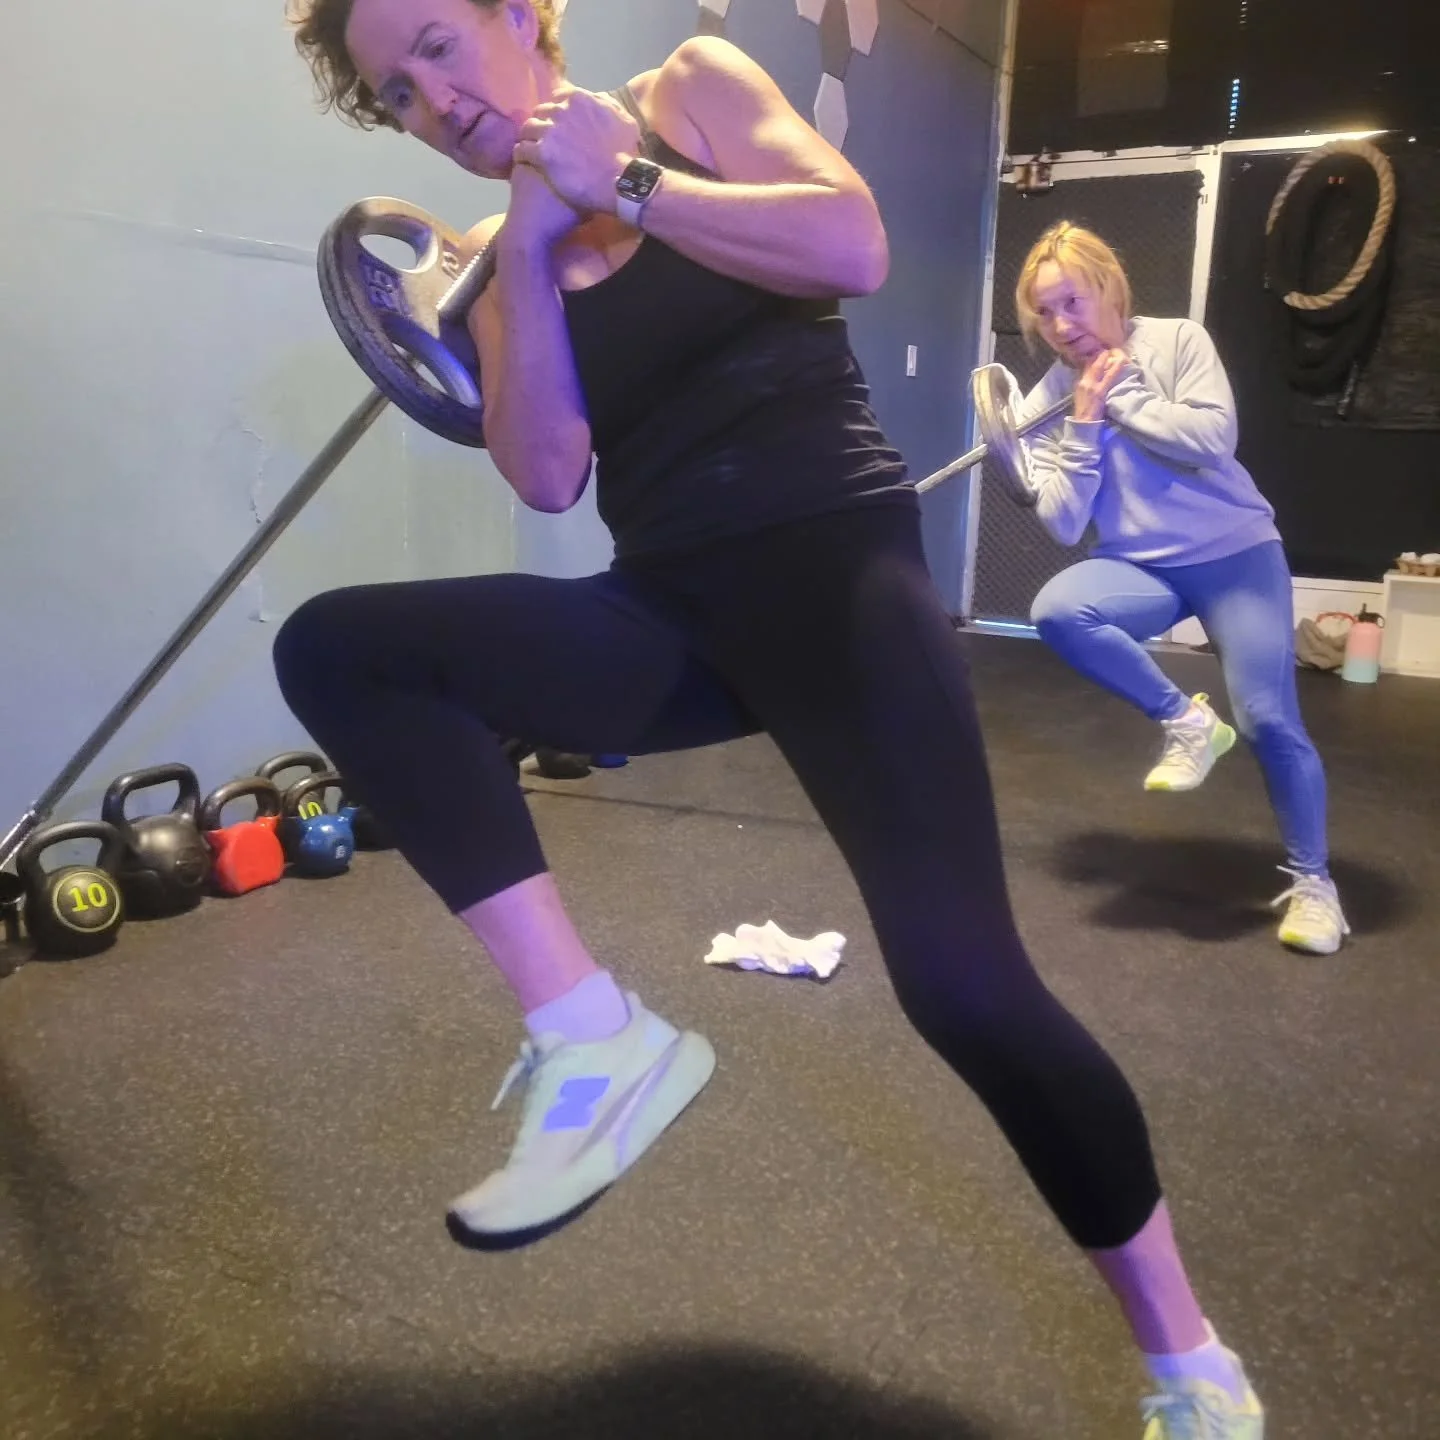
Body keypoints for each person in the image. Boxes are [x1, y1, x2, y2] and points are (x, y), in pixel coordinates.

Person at [280, 4, 1264, 1433]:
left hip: (839, 586)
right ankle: (594, 1037)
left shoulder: (689, 92)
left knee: (969, 994)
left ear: (519, 12)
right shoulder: (498, 263)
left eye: (437, 43)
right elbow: (547, 475)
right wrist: (529, 254)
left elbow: (852, 245)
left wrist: (625, 182)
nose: (431, 99)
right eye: (394, 93)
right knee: (343, 650)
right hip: (671, 610)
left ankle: (1189, 1362)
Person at [1016, 221, 1348, 957]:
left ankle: (1315, 884)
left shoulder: (1177, 342)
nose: (1062, 325)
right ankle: (1187, 722)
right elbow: (1064, 525)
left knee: (1267, 720)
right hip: (1140, 566)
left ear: (1108, 287)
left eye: (1072, 302)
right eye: (1045, 312)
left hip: (1236, 555)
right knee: (1059, 610)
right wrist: (1082, 425)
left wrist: (1122, 397)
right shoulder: (1048, 401)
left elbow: (1212, 440)